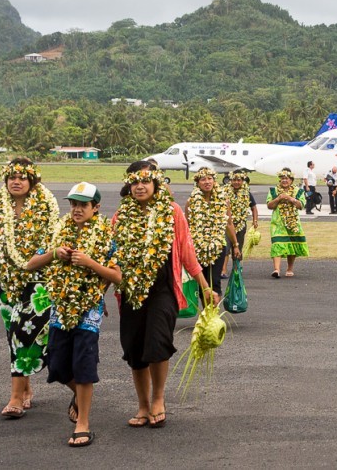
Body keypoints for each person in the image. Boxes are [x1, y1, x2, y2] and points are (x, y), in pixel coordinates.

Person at [111, 161, 217, 429]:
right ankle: (143, 405)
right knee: (134, 349)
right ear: (129, 185)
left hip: (163, 290)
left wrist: (205, 287)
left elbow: (187, 253)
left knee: (157, 343)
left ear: (156, 184)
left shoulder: (172, 212)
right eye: (135, 182)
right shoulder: (119, 217)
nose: (140, 186)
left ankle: (158, 398)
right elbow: (109, 259)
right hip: (131, 292)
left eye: (146, 181)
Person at [25, 182, 121, 447]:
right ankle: (80, 395)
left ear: (96, 207)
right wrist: (55, 254)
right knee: (56, 364)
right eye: (74, 204)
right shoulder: (58, 231)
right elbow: (29, 264)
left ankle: (83, 424)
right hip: (60, 309)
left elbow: (118, 276)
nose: (77, 210)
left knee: (83, 365)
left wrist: (90, 263)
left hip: (89, 310)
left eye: (83, 205)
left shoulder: (107, 236)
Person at [0, 157, 60, 419]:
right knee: (13, 336)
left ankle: (16, 398)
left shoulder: (47, 206)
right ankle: (26, 389)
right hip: (6, 282)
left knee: (23, 333)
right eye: (12, 177)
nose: (16, 182)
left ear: (32, 180)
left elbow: (54, 242)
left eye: (22, 177)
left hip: (38, 281)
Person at [184, 167, 241, 298]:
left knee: (215, 281)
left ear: (214, 181)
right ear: (198, 183)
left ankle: (212, 315)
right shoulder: (191, 202)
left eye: (210, 179)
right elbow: (186, 226)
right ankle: (206, 314)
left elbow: (229, 223)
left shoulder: (223, 201)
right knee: (202, 283)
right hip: (197, 247)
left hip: (218, 247)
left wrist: (235, 245)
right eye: (203, 179)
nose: (207, 182)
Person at [267, 168, 309, 278]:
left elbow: (301, 206)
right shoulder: (274, 191)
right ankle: (276, 270)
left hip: (293, 223)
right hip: (278, 223)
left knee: (292, 244)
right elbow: (269, 206)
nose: (284, 180)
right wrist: (278, 199)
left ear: (291, 180)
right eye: (282, 178)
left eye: (287, 178)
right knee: (277, 244)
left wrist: (291, 199)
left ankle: (290, 268)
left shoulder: (298, 191)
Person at [220, 170, 259, 278]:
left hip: (241, 225)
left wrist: (255, 221)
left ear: (242, 181)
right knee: (226, 247)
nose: (236, 182)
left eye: (239, 180)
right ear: (230, 180)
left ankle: (236, 269)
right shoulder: (223, 192)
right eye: (234, 180)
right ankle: (223, 270)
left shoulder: (246, 193)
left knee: (238, 247)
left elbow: (254, 208)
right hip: (226, 225)